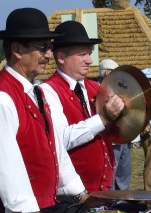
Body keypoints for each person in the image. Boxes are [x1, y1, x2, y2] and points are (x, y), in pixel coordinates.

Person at [0, 8, 88, 213]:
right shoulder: (0, 100)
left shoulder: (36, 93)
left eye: (49, 47)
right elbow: (7, 173)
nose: (48, 55)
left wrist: (80, 194)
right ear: (17, 49)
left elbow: (56, 151)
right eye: (43, 47)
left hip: (45, 205)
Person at [40, 21, 125, 193]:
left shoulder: (96, 88)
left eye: (89, 53)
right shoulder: (47, 91)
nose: (89, 60)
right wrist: (103, 118)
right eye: (82, 54)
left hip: (103, 189)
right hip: (71, 196)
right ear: (61, 57)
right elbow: (62, 138)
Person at [99, 58, 132, 191]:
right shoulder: (98, 89)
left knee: (124, 170)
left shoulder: (118, 88)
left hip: (123, 135)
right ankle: (111, 202)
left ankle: (123, 200)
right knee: (112, 169)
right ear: (107, 73)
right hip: (111, 137)